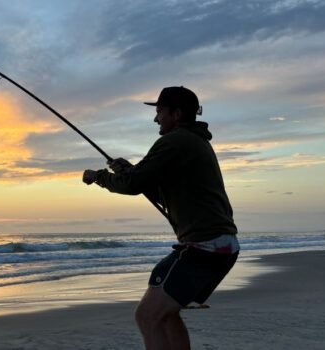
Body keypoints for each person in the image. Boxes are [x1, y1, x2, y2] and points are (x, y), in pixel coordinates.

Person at [82, 86, 239, 350]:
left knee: (147, 316)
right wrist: (131, 170)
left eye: (159, 112)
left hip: (205, 246)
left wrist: (98, 177)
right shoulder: (193, 141)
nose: (156, 119)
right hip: (218, 244)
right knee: (165, 312)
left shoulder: (176, 141)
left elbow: (132, 185)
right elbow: (153, 185)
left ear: (176, 114)